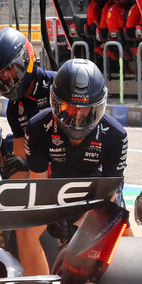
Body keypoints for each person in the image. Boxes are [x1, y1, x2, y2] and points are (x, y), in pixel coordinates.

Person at [0, 27, 55, 274]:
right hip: (47, 182)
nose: (6, 79)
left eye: (9, 69)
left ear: (26, 57)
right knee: (22, 226)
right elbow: (22, 164)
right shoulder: (14, 109)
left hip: (79, 172)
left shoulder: (58, 84)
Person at [25, 59, 128, 221]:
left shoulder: (116, 136)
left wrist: (80, 224)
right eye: (71, 107)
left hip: (98, 196)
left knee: (118, 227)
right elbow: (39, 188)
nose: (78, 115)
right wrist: (52, 218)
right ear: (56, 102)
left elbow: (108, 198)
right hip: (55, 194)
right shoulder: (37, 128)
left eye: (85, 109)